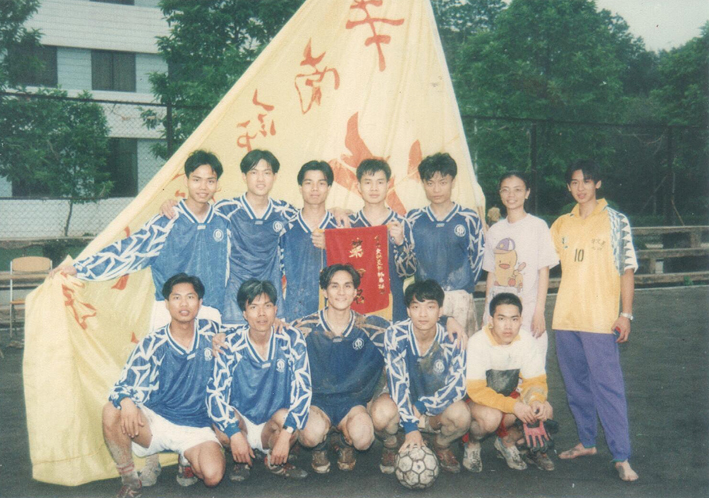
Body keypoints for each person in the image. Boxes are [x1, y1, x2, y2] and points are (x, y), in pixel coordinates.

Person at [50, 150, 230, 329]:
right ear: (186, 181)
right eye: (197, 180)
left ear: (217, 184)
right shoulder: (167, 221)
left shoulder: (224, 222)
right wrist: (79, 268)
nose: (203, 187)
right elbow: (129, 250)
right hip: (169, 313)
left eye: (210, 181)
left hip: (209, 311)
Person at [550, 160, 639, 482]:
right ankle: (587, 442)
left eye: (586, 181)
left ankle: (621, 456)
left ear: (597, 183)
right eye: (574, 182)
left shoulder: (616, 220)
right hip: (565, 319)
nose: (581, 188)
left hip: (601, 320)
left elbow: (627, 270)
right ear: (568, 187)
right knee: (576, 387)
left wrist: (625, 314)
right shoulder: (561, 223)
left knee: (608, 388)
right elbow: (540, 261)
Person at [101, 273, 225, 498]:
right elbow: (121, 386)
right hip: (156, 423)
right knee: (112, 410)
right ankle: (130, 479)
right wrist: (126, 401)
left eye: (190, 297)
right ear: (167, 303)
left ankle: (186, 457)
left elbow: (246, 333)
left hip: (196, 426)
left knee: (212, 476)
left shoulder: (212, 332)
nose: (184, 304)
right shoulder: (153, 342)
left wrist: (226, 335)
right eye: (176, 298)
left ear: (200, 303)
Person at [206, 279, 312, 481]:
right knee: (222, 427)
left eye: (267, 306)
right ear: (244, 314)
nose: (261, 314)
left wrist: (286, 435)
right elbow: (215, 395)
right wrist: (234, 433)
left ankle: (273, 459)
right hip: (242, 422)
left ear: (276, 310)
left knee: (292, 423)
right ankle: (241, 461)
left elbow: (304, 389)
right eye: (254, 307)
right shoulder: (230, 344)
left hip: (270, 423)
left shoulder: (292, 339)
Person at [293, 264, 390, 473]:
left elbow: (413, 328)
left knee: (364, 439)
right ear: (324, 292)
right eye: (334, 286)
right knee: (309, 434)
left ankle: (346, 443)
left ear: (355, 292)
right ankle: (320, 446)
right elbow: (268, 334)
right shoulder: (304, 328)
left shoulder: (371, 327)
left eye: (347, 286)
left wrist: (447, 320)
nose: (341, 292)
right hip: (317, 403)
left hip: (352, 403)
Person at [371, 280, 470, 474]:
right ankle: (392, 444)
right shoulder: (396, 334)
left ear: (440, 311)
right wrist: (410, 426)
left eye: (430, 307)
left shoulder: (453, 338)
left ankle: (440, 444)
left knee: (462, 416)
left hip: (435, 406)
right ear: (408, 311)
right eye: (416, 307)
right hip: (402, 401)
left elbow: (458, 386)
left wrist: (423, 405)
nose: (423, 314)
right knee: (380, 415)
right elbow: (397, 382)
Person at [464, 292, 554, 473]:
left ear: (521, 320)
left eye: (514, 319)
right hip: (477, 403)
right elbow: (476, 390)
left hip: (508, 399)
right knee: (491, 418)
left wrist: (535, 399)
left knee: (545, 410)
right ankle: (471, 444)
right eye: (501, 319)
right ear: (491, 320)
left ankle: (506, 442)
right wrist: (514, 406)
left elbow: (535, 380)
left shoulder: (526, 341)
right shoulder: (477, 343)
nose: (508, 326)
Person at [482, 171, 559, 360]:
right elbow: (492, 273)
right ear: (500, 193)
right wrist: (487, 311)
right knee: (501, 367)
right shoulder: (495, 231)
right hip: (499, 314)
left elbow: (544, 271)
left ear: (527, 193)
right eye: (506, 190)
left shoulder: (538, 226)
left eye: (517, 190)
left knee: (531, 366)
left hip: (528, 311)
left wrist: (539, 311)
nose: (511, 195)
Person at [406, 153, 484, 336]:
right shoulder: (413, 219)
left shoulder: (469, 218)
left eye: (443, 182)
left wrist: (461, 285)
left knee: (462, 349)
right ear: (423, 184)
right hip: (425, 302)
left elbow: (477, 259)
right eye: (430, 183)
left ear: (453, 182)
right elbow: (408, 260)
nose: (436, 189)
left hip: (460, 299)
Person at [349, 159, 416, 322]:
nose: (374, 188)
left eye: (379, 182)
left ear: (388, 185)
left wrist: (401, 243)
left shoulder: (401, 223)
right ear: (358, 187)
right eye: (367, 182)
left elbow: (409, 272)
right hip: (357, 307)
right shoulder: (349, 224)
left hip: (393, 306)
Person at [279, 161, 339, 322]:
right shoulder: (286, 229)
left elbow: (355, 268)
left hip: (335, 315)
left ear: (329, 188)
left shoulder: (340, 227)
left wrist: (332, 245)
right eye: (308, 183)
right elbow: (276, 274)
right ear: (300, 188)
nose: (315, 188)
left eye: (321, 183)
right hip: (295, 315)